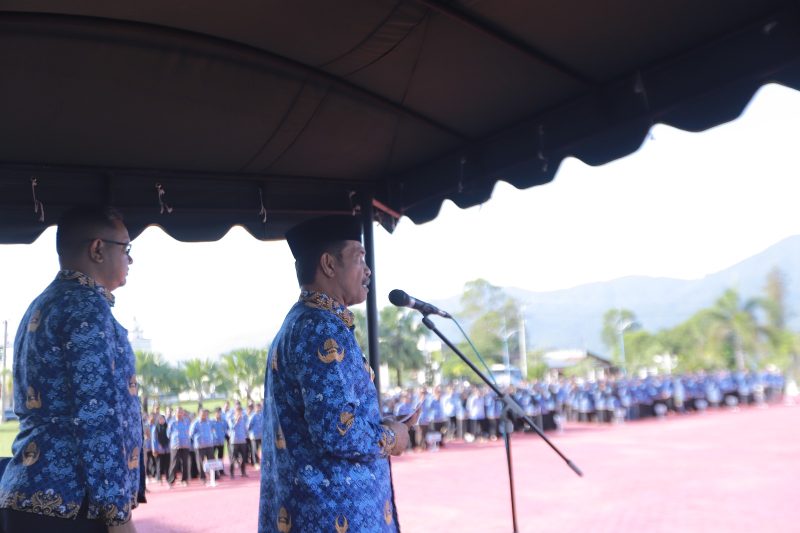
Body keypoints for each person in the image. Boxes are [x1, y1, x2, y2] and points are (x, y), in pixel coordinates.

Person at [258, 215, 414, 533]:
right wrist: (392, 438)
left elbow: (331, 417)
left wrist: (380, 423)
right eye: (359, 257)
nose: (368, 270)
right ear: (329, 264)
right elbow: (336, 431)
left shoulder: (303, 322)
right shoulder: (321, 328)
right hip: (333, 513)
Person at [0, 206, 141, 532]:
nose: (131, 260)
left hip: (30, 494)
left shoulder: (44, 304)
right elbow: (97, 416)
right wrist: (118, 515)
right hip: (70, 506)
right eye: (126, 248)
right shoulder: (86, 308)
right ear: (97, 249)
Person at [190, 409, 216, 484]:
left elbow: (212, 430)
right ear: (199, 414)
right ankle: (202, 477)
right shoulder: (195, 423)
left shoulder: (209, 422)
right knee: (200, 462)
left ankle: (213, 476)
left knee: (211, 461)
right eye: (202, 414)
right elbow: (191, 434)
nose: (204, 415)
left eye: (205, 414)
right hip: (200, 446)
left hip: (209, 444)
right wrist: (198, 439)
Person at [167, 407, 191, 487]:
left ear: (183, 413)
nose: (180, 414)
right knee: (174, 463)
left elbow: (190, 432)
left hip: (185, 445)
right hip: (175, 445)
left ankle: (184, 480)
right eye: (178, 412)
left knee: (185, 463)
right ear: (175, 413)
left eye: (181, 412)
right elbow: (168, 434)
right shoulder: (172, 422)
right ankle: (171, 481)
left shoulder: (187, 421)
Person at [228, 405, 249, 478]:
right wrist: (236, 421)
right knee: (233, 458)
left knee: (243, 457)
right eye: (238, 411)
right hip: (234, 441)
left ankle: (243, 472)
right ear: (235, 412)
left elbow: (245, 429)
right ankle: (231, 473)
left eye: (240, 411)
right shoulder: (231, 419)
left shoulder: (243, 419)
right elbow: (231, 428)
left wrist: (247, 436)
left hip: (242, 441)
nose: (239, 413)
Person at [152, 414, 171, 484]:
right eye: (160, 419)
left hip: (167, 449)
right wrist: (154, 449)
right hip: (159, 449)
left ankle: (168, 478)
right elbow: (154, 439)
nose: (162, 420)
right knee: (159, 464)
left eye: (163, 419)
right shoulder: (155, 427)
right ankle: (159, 478)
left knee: (167, 464)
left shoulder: (168, 426)